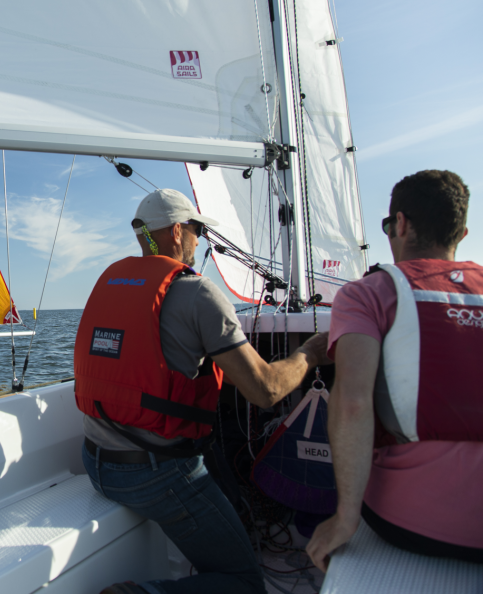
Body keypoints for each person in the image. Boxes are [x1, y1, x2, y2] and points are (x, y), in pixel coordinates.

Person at [76, 188, 328, 594]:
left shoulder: (111, 284)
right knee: (246, 582)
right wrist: (308, 355)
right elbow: (265, 391)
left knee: (212, 455)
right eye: (197, 230)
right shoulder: (198, 293)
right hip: (153, 474)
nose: (200, 240)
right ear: (178, 231)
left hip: (96, 462)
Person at [307, 171, 483, 585]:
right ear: (462, 231)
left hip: (414, 524)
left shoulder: (368, 293)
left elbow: (352, 403)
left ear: (400, 224)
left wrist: (345, 519)